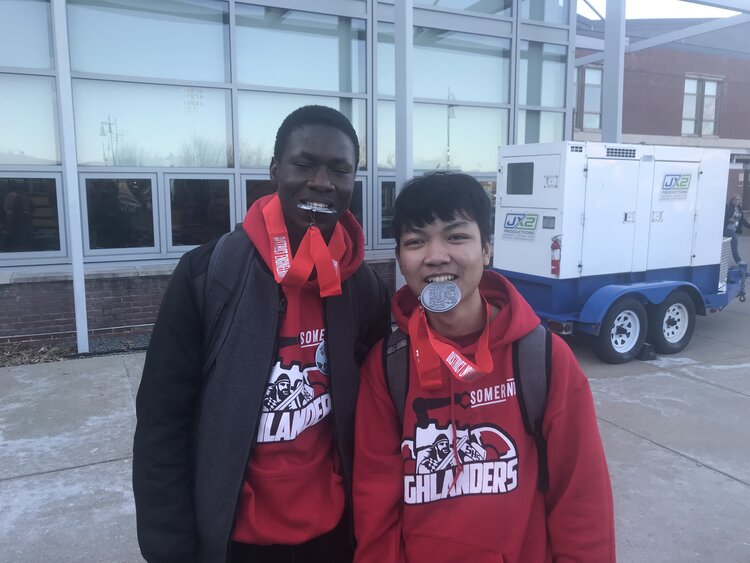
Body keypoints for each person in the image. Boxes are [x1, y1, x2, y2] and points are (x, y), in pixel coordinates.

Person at [133, 105, 391, 563]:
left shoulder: (364, 288)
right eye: (305, 163)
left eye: (339, 169)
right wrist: (170, 547)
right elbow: (161, 422)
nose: (322, 182)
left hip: (333, 538)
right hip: (233, 541)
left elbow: (375, 422)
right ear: (275, 170)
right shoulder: (208, 275)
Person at [353, 172, 616, 563]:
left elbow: (582, 501)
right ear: (400, 261)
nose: (436, 255)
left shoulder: (543, 358)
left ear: (487, 249)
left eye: (456, 236)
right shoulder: (387, 367)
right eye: (415, 241)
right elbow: (376, 512)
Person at [724, 194, 749, 264]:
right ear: (732, 200)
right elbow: (723, 217)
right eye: (735, 199)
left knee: (730, 243)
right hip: (726, 228)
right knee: (734, 241)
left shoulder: (739, 209)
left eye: (738, 199)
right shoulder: (728, 207)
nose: (737, 201)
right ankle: (738, 261)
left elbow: (743, 220)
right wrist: (728, 220)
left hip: (733, 229)